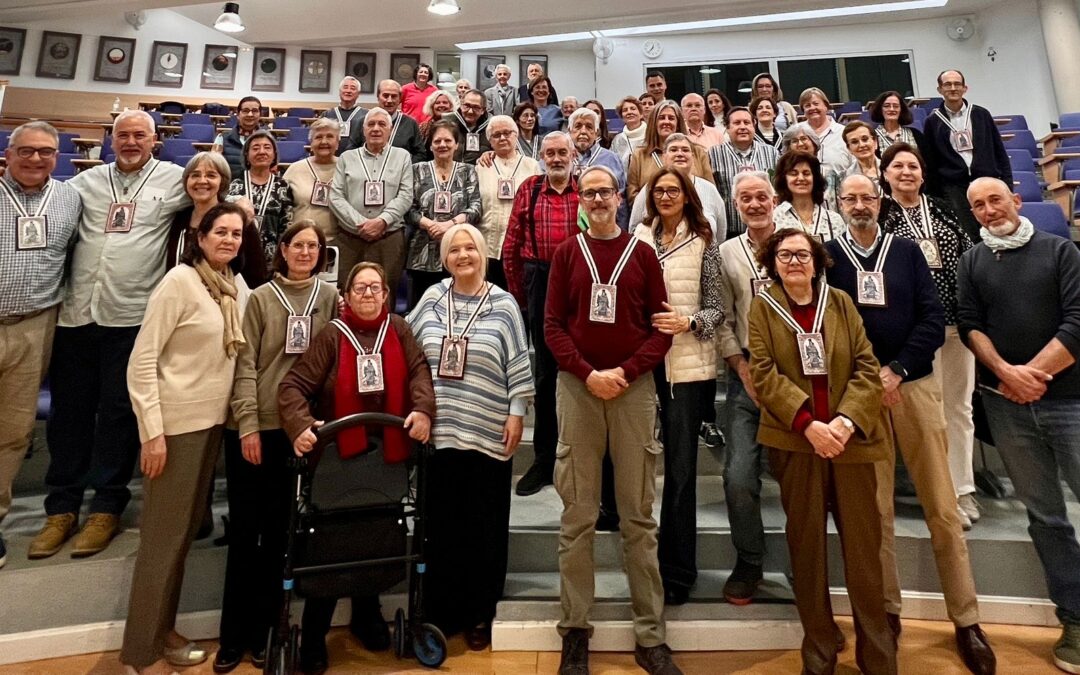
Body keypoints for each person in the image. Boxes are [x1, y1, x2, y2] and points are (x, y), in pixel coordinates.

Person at [828, 175, 995, 675]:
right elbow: (831, 324)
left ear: (879, 203)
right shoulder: (830, 258)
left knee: (942, 507)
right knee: (875, 513)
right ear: (838, 205)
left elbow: (932, 315)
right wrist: (868, 378)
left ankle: (966, 619)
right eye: (850, 198)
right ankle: (888, 612)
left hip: (914, 384)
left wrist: (897, 369)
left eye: (866, 197)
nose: (860, 205)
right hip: (860, 397)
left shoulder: (904, 251)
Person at [32, 110, 187, 561]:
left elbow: (212, 193)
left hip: (132, 314)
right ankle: (61, 509)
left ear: (155, 141)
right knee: (70, 412)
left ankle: (106, 506)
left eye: (140, 135)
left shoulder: (173, 179)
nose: (132, 141)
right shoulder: (84, 183)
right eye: (123, 135)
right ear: (110, 140)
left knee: (119, 411)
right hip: (78, 313)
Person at [545, 165, 679, 675]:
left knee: (638, 517)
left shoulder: (643, 254)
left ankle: (650, 636)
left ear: (620, 197)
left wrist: (623, 372)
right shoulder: (565, 253)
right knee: (577, 516)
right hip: (578, 390)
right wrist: (587, 373)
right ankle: (576, 631)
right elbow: (553, 326)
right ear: (580, 200)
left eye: (605, 191)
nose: (597, 199)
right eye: (589, 193)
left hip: (633, 391)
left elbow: (662, 330)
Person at [747, 226, 896, 675]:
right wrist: (809, 425)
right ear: (773, 263)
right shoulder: (762, 307)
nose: (795, 262)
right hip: (797, 442)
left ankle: (879, 657)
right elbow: (764, 373)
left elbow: (868, 367)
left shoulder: (842, 304)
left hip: (850, 442)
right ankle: (818, 652)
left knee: (865, 554)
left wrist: (845, 422)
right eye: (786, 255)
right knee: (808, 553)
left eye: (803, 254)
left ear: (817, 261)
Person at [278, 261, 434, 675]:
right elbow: (293, 386)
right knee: (334, 543)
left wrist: (422, 409)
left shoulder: (399, 329)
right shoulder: (331, 335)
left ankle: (368, 613)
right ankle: (314, 631)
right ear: (345, 296)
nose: (368, 294)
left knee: (379, 535)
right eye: (360, 288)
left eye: (376, 288)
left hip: (386, 459)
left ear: (386, 294)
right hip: (338, 461)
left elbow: (418, 371)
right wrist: (298, 426)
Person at [120, 202, 251, 675]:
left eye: (237, 234)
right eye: (221, 232)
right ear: (201, 237)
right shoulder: (179, 283)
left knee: (179, 540)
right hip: (174, 431)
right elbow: (141, 362)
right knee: (161, 542)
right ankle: (141, 653)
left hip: (211, 426)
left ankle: (162, 631)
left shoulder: (235, 287)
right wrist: (152, 433)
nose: (229, 240)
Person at [959, 176, 1080, 675]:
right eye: (978, 205)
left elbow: (1077, 321)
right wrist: (1007, 374)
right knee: (1046, 517)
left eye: (994, 200)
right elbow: (969, 323)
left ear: (1015, 198)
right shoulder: (973, 260)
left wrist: (1033, 374)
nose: (988, 210)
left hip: (1069, 402)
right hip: (1007, 406)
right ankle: (1074, 619)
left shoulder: (1060, 250)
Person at [215, 221, 338, 673]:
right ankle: (234, 636)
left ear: (321, 254)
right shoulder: (260, 298)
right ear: (282, 250)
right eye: (297, 245)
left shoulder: (330, 299)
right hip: (257, 428)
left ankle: (267, 630)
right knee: (247, 535)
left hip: (300, 431)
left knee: (281, 538)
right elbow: (244, 365)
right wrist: (246, 423)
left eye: (313, 246)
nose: (305, 252)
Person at [407, 223, 534, 650]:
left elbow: (518, 363)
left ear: (483, 255)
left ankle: (481, 610)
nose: (463, 256)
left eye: (471, 249)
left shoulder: (503, 303)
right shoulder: (430, 298)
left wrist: (517, 413)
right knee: (441, 525)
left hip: (488, 427)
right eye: (455, 250)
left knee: (484, 525)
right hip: (439, 431)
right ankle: (444, 609)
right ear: (444, 259)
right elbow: (408, 350)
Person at [632, 168, 723, 606]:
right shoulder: (637, 239)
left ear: (687, 196)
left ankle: (678, 570)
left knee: (682, 473)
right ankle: (641, 565)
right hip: (641, 368)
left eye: (674, 190)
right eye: (659, 190)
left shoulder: (705, 242)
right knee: (636, 470)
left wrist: (688, 322)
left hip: (686, 372)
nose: (666, 196)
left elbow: (716, 312)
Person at [879, 143, 978, 527]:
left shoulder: (943, 209)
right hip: (914, 330)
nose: (906, 172)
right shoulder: (882, 215)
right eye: (898, 166)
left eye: (913, 166)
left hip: (956, 323)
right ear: (885, 174)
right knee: (927, 413)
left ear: (923, 173)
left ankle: (963, 489)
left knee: (959, 407)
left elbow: (969, 256)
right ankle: (938, 492)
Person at [0, 122, 82, 568]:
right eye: (26, 151)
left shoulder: (70, 199)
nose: (35, 159)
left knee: (13, 433)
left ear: (58, 156)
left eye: (46, 152)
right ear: (8, 154)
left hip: (35, 326)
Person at [501, 132, 579, 497]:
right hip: (540, 281)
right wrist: (522, 298)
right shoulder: (529, 189)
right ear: (541, 156)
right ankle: (545, 460)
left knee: (580, 370)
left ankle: (579, 456)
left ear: (573, 154)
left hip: (581, 282)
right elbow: (511, 247)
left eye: (563, 152)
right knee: (546, 375)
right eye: (550, 152)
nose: (557, 158)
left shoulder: (587, 188)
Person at [716, 171, 779, 604]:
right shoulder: (725, 253)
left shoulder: (799, 243)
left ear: (774, 198)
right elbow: (720, 318)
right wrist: (740, 368)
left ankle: (809, 563)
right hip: (748, 376)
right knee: (739, 477)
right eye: (745, 199)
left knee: (805, 481)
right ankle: (750, 560)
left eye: (761, 196)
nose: (754, 204)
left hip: (800, 374)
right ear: (735, 205)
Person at [330, 107, 414, 296]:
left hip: (388, 238)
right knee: (348, 292)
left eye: (382, 124)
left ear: (390, 130)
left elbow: (406, 194)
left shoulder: (402, 157)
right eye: (371, 124)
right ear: (363, 129)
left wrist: (382, 221)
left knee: (384, 293)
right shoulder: (347, 157)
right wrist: (360, 223)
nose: (376, 128)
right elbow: (335, 196)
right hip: (350, 237)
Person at [922, 70, 1012, 242]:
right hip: (954, 188)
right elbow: (930, 162)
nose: (953, 88)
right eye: (947, 84)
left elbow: (999, 152)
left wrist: (1007, 185)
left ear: (965, 88)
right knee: (968, 237)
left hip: (986, 181)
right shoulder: (933, 121)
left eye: (957, 84)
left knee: (996, 231)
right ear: (939, 90)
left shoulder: (981, 114)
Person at [405, 121, 481, 305]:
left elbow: (476, 208)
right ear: (430, 145)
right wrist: (429, 224)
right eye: (437, 141)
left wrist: (450, 225)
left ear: (456, 144)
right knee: (422, 306)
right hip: (421, 252)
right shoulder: (417, 170)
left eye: (448, 140)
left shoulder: (468, 171)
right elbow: (408, 208)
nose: (442, 145)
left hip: (458, 252)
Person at [168, 152, 265, 290]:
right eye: (195, 175)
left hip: (225, 304)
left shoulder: (237, 218)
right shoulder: (179, 217)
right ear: (186, 181)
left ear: (222, 181)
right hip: (181, 298)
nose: (202, 181)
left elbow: (256, 273)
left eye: (211, 175)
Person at [477, 115, 541, 289]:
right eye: (496, 135)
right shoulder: (481, 166)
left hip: (521, 247)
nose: (503, 138)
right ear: (490, 141)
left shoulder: (532, 166)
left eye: (507, 133)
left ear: (516, 134)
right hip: (488, 246)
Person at [629, 133, 727, 238]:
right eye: (673, 150)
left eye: (685, 150)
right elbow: (634, 229)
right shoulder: (650, 189)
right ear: (664, 156)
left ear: (693, 156)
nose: (680, 154)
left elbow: (721, 234)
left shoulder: (709, 189)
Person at [708, 107, 780, 240]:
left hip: (766, 230)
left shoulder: (772, 153)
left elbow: (779, 190)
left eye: (747, 123)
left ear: (754, 125)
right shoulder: (713, 154)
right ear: (727, 128)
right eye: (737, 123)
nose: (742, 127)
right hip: (730, 231)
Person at [227, 130, 294, 271]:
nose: (261, 152)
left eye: (267, 147)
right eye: (255, 148)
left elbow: (286, 226)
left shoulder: (283, 186)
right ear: (246, 154)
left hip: (270, 261)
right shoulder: (232, 181)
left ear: (274, 154)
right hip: (235, 254)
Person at [628, 100, 714, 203]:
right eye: (661, 118)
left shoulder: (698, 152)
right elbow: (632, 194)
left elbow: (710, 191)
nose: (666, 122)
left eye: (671, 118)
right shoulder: (639, 155)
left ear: (678, 124)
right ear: (654, 123)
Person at [564, 107, 627, 226]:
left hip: (604, 226)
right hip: (567, 225)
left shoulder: (611, 159)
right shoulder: (561, 158)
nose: (583, 131)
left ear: (596, 132)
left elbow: (621, 201)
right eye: (578, 126)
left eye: (589, 127)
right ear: (569, 130)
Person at [283, 118, 341, 243]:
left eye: (330, 136)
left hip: (337, 242)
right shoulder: (295, 169)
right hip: (300, 240)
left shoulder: (346, 168)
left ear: (337, 143)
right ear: (311, 142)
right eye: (318, 137)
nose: (324, 141)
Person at [345, 79, 427, 163]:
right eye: (385, 95)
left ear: (400, 99)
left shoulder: (410, 124)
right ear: (378, 96)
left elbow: (421, 154)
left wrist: (403, 166)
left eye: (394, 96)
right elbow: (350, 152)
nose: (389, 100)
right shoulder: (362, 122)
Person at [771, 151, 844, 242]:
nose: (801, 178)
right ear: (784, 179)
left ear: (815, 178)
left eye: (806, 173)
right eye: (794, 174)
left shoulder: (834, 220)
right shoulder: (774, 218)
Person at [798, 88, 850, 210]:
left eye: (816, 104)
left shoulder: (843, 132)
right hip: (806, 199)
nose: (812, 108)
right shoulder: (796, 133)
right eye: (807, 105)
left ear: (826, 106)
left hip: (841, 199)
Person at [215, 96, 265, 179]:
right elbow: (214, 166)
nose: (250, 114)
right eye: (245, 111)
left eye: (255, 111)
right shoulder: (222, 138)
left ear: (260, 115)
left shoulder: (268, 140)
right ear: (238, 114)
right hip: (229, 189)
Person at [322, 77, 366, 156]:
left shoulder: (366, 115)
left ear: (358, 94)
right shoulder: (327, 115)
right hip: (330, 158)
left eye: (353, 88)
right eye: (345, 87)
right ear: (339, 91)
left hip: (356, 159)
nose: (348, 91)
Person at [449, 89, 492, 164]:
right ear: (461, 105)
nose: (470, 111)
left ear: (483, 110)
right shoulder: (447, 123)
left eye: (476, 107)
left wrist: (491, 154)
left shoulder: (492, 127)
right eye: (467, 106)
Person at [611, 96, 647, 169]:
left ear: (641, 114)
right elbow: (612, 164)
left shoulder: (651, 135)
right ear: (622, 117)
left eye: (633, 109)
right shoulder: (617, 140)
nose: (629, 112)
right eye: (625, 110)